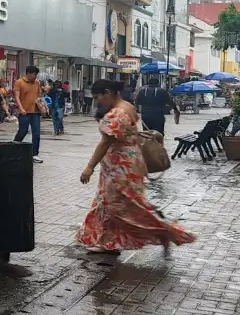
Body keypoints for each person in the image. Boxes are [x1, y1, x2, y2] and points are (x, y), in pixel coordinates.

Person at [76, 79, 196, 254]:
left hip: (121, 167)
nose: (97, 101)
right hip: (127, 164)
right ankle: (108, 242)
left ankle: (165, 231)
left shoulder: (117, 113)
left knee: (123, 206)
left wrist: (89, 167)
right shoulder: (127, 106)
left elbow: (105, 143)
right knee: (110, 204)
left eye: (98, 97)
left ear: (108, 92)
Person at [14, 65, 44, 163]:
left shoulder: (37, 83)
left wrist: (40, 103)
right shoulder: (19, 82)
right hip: (24, 112)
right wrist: (21, 108)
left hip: (35, 112)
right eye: (34, 74)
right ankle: (14, 147)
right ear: (28, 74)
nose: (35, 76)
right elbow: (17, 97)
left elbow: (38, 95)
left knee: (36, 134)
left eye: (36, 74)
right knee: (23, 131)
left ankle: (34, 154)